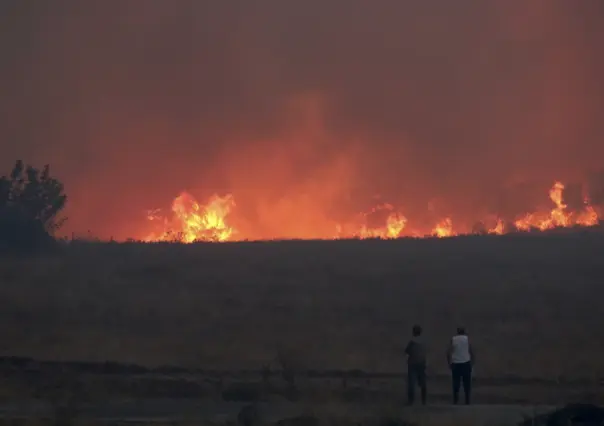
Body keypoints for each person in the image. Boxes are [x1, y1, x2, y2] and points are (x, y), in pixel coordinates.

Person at [446, 326, 475, 405]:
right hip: (466, 362)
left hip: (456, 363)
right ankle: (467, 400)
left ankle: (455, 400)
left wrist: (449, 363)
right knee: (467, 384)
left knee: (456, 383)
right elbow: (471, 351)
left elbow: (448, 352)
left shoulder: (453, 339)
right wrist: (472, 362)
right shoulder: (467, 339)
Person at [405, 324, 427, 405]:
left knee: (411, 383)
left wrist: (407, 361)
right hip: (421, 363)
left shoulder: (412, 342)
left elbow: (407, 353)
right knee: (422, 383)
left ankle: (411, 401)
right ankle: (423, 401)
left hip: (412, 364)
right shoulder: (423, 342)